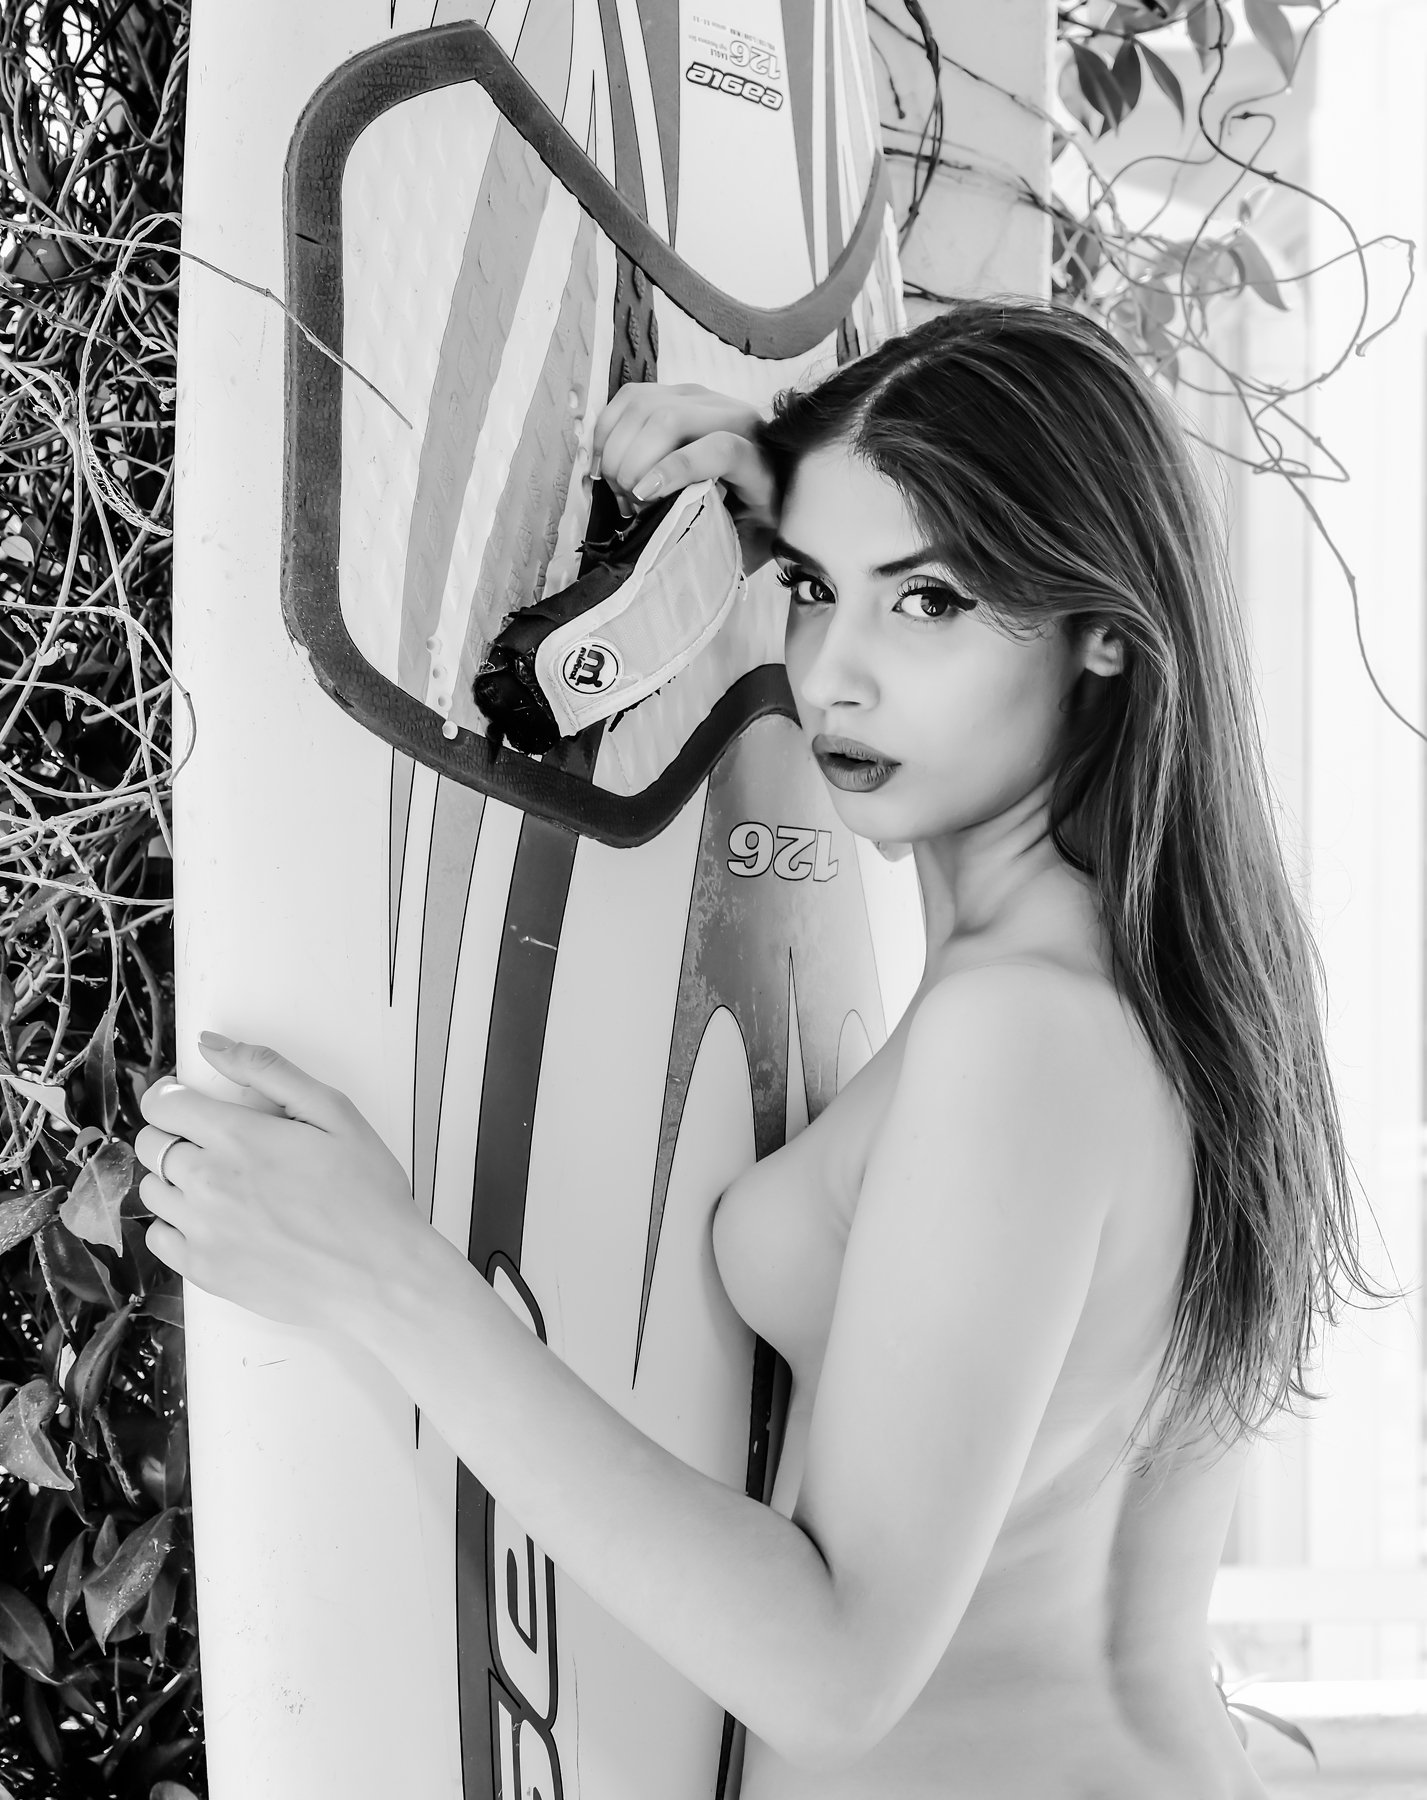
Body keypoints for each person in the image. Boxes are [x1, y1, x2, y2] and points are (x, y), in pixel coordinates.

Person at [136, 298, 1382, 1799]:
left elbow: (834, 1669)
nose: (833, 672)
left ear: (1105, 631)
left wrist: (384, 1277)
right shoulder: (1163, 984)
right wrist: (790, 503)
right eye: (811, 589)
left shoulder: (1021, 1033)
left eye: (930, 602)